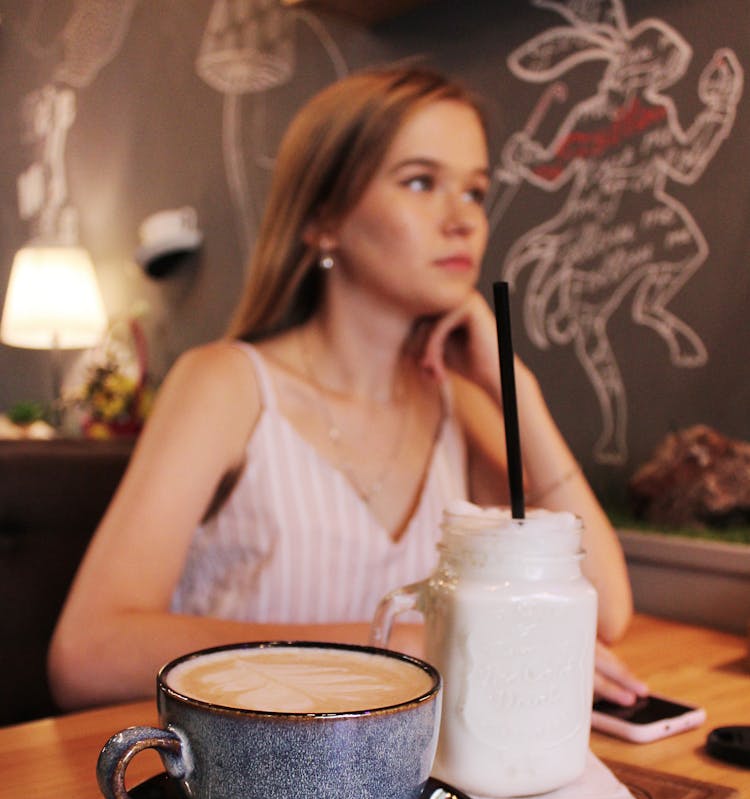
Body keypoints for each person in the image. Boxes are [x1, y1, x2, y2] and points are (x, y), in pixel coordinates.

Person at [48, 66, 645, 711]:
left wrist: (518, 394)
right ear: (323, 221)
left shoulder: (462, 407)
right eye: (420, 182)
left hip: (405, 795)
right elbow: (88, 655)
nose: (463, 220)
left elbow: (605, 611)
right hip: (238, 792)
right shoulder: (227, 386)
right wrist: (405, 646)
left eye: (474, 191)